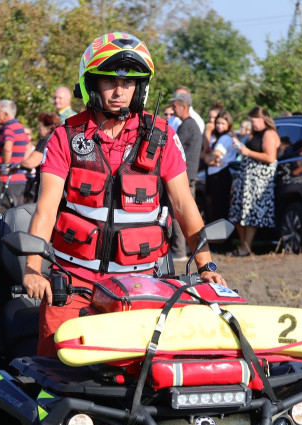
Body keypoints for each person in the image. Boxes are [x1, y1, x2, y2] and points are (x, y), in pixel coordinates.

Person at [23, 32, 225, 355]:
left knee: (149, 383)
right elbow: (45, 210)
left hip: (143, 287)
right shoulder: (65, 137)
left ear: (140, 89)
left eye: (129, 83)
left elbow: (184, 204)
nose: (120, 91)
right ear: (91, 84)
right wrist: (33, 267)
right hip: (73, 288)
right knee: (54, 379)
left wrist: (207, 267)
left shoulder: (162, 136)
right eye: (109, 82)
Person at [227, 106, 279, 256]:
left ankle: (246, 248)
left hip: (258, 181)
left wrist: (248, 152)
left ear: (262, 119)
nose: (251, 124)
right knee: (238, 213)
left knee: (250, 215)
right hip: (246, 179)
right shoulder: (254, 134)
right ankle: (244, 246)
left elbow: (270, 157)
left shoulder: (269, 133)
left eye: (253, 121)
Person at [170, 92, 202, 260]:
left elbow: (172, 148)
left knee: (179, 212)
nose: (173, 109)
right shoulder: (190, 124)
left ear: (183, 106)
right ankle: (183, 250)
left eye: (175, 105)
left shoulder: (188, 125)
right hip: (188, 176)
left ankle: (179, 250)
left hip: (184, 177)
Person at [0, 100, 29, 207]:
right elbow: (28, 147)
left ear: (5, 114)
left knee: (4, 214)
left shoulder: (8, 128)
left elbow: (7, 148)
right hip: (18, 178)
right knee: (16, 214)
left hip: (7, 180)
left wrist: (4, 168)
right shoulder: (19, 127)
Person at [20, 112, 61, 202]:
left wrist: (17, 165)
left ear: (48, 128)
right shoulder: (60, 141)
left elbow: (31, 163)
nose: (39, 129)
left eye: (40, 126)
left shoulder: (46, 141)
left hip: (44, 188)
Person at [203, 110, 235, 221]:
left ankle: (221, 237)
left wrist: (209, 158)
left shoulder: (225, 138)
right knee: (217, 209)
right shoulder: (221, 137)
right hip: (217, 174)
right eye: (218, 123)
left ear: (229, 124)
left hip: (220, 175)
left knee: (219, 210)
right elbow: (206, 155)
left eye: (222, 123)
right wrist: (208, 158)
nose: (219, 126)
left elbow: (213, 157)